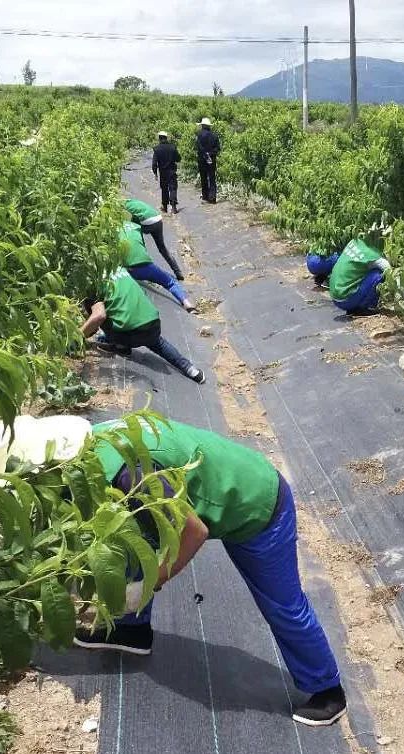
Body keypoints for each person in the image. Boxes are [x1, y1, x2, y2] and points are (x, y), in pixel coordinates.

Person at [71, 414, 347, 727]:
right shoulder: (96, 439)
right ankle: (131, 629)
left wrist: (149, 584)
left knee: (282, 603)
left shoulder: (130, 474)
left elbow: (194, 533)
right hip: (223, 484)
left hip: (257, 504)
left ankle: (328, 691)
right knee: (133, 534)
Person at [81, 266, 205, 384]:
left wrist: (77, 337)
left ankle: (121, 346)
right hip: (152, 322)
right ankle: (192, 371)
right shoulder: (118, 268)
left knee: (94, 309)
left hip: (130, 332)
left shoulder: (93, 284)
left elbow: (99, 316)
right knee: (158, 343)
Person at [119, 220, 194, 312]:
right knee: (170, 282)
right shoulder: (136, 227)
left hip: (128, 269)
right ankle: (187, 303)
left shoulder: (109, 231)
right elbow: (142, 246)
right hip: (146, 265)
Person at [123, 198, 185, 280]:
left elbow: (131, 224)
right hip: (158, 218)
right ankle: (178, 272)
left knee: (138, 244)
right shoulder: (133, 202)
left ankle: (144, 268)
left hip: (147, 221)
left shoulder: (123, 207)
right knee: (162, 248)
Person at [327, 239, 391, 314]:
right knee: (379, 275)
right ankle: (365, 308)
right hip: (345, 299)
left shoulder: (355, 241)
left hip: (334, 296)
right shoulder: (375, 257)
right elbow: (392, 275)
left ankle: (354, 307)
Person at [151, 131, 181, 214]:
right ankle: (174, 207)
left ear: (159, 138)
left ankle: (164, 207)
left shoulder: (156, 149)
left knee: (164, 189)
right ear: (166, 138)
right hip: (172, 171)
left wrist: (155, 173)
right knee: (173, 188)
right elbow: (178, 159)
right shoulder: (172, 147)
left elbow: (154, 163)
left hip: (163, 173)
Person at [195, 117, 220, 204]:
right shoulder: (215, 135)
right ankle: (212, 198)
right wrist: (210, 154)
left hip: (202, 159)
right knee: (212, 178)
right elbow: (217, 149)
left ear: (202, 125)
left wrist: (205, 154)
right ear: (208, 126)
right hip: (211, 159)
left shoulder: (199, 135)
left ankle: (205, 196)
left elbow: (198, 147)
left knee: (204, 178)